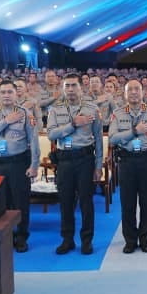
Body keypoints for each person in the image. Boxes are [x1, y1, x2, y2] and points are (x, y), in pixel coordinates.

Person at [108, 80, 147, 253]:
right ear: (125, 94)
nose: (134, 92)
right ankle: (130, 240)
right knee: (127, 203)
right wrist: (135, 131)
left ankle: (145, 239)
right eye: (130, 90)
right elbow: (112, 139)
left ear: (142, 92)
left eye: (137, 89)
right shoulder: (118, 113)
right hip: (126, 162)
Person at [46, 74, 102, 255]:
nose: (70, 89)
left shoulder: (92, 109)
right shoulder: (55, 109)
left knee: (86, 202)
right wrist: (72, 125)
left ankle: (86, 240)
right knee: (65, 202)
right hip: (64, 160)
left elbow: (99, 139)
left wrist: (98, 166)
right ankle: (67, 239)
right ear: (63, 89)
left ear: (81, 88)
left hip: (85, 159)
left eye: (73, 86)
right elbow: (51, 134)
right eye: (67, 86)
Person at [0, 81, 40, 252]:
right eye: (3, 92)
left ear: (16, 94)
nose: (6, 95)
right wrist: (5, 122)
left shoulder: (25, 113)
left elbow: (34, 141)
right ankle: (4, 236)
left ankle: (21, 236)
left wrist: (34, 165)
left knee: (20, 201)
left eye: (9, 92)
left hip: (18, 163)